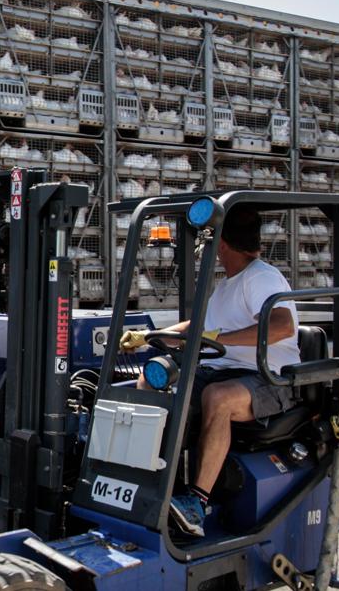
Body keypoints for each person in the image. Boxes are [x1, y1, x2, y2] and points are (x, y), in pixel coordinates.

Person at [119, 205, 299, 537]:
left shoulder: (261, 277)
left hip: (266, 377)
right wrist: (150, 336)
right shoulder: (227, 284)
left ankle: (197, 504)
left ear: (224, 244)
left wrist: (220, 339)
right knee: (149, 382)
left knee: (216, 397)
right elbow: (201, 326)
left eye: (211, 239)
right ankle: (151, 481)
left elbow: (282, 326)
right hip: (223, 371)